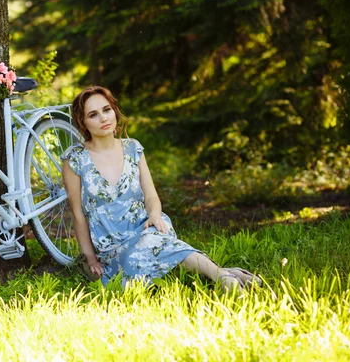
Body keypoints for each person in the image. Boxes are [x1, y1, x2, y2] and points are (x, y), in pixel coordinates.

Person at [61, 86, 261, 291]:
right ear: (83, 123)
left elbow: (150, 195)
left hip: (144, 226)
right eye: (93, 115)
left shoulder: (132, 148)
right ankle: (228, 273)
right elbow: (77, 213)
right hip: (111, 245)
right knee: (138, 262)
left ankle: (223, 279)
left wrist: (155, 216)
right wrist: (91, 259)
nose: (103, 118)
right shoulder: (75, 159)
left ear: (114, 111)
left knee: (152, 242)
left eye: (106, 110)